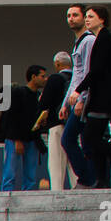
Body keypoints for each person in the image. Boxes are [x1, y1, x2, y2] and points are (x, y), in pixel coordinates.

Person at [67, 6, 111, 189]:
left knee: (90, 138)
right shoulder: (104, 39)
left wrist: (77, 91)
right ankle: (102, 179)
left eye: (91, 16)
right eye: (86, 16)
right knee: (93, 138)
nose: (87, 20)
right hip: (104, 97)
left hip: (104, 99)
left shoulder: (104, 40)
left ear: (102, 19)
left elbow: (95, 71)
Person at [58, 5, 96, 188]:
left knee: (68, 139)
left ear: (84, 18)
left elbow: (89, 73)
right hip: (77, 100)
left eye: (75, 15)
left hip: (85, 100)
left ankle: (87, 178)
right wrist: (65, 104)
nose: (71, 18)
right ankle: (90, 177)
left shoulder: (88, 41)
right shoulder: (79, 42)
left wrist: (81, 99)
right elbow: (76, 75)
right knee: (84, 141)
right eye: (68, 16)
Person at [0, 65, 47, 191]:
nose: (45, 79)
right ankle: (6, 197)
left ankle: (28, 197)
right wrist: (17, 140)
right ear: (33, 77)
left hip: (32, 138)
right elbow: (11, 117)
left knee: (30, 175)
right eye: (42, 76)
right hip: (16, 138)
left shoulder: (39, 96)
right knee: (10, 173)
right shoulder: (19, 93)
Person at [37, 51, 72, 192]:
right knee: (74, 160)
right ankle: (79, 188)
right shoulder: (79, 77)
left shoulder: (55, 79)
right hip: (76, 125)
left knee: (57, 161)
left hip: (57, 125)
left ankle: (56, 192)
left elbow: (44, 103)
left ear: (57, 64)